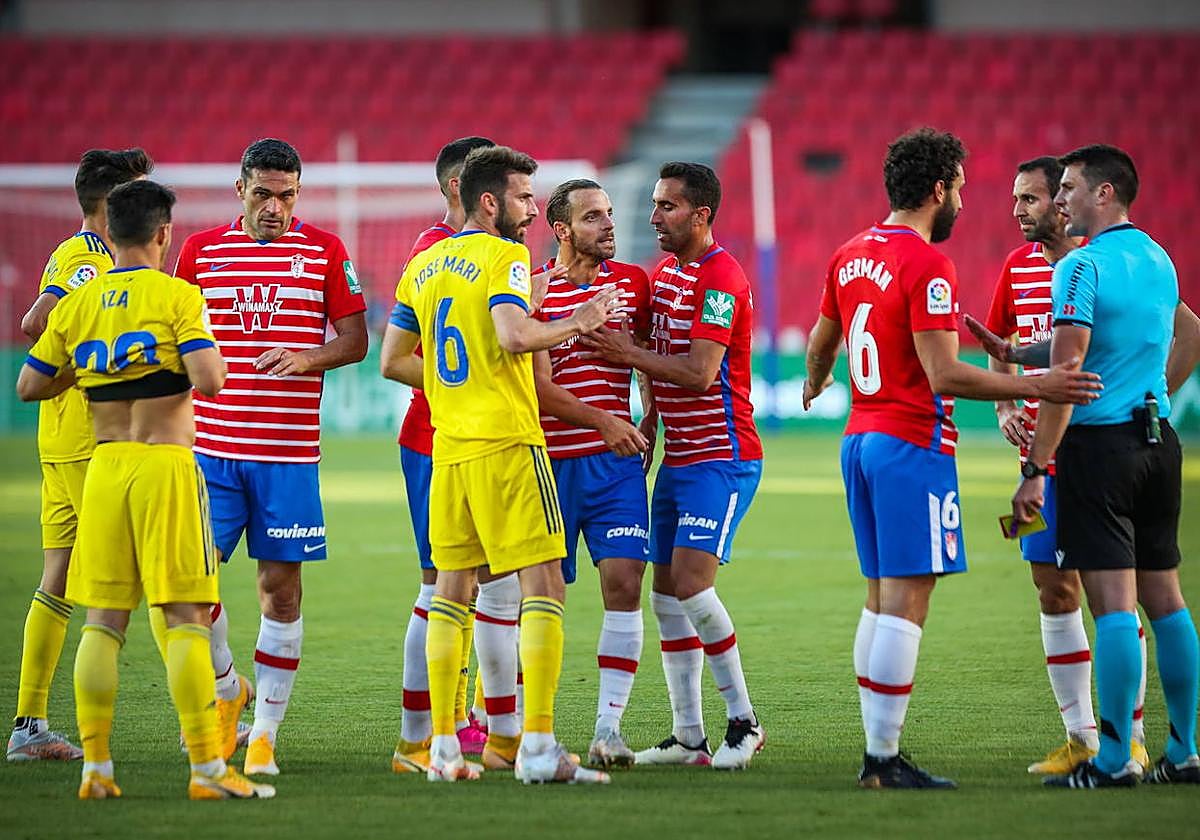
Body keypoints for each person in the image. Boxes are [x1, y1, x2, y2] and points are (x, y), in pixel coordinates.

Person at [802, 128, 1102, 789]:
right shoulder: (928, 263)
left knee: (881, 599)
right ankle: (882, 759)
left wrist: (816, 383)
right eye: (962, 187)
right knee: (908, 600)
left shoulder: (850, 252)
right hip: (911, 443)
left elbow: (821, 344)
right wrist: (1034, 386)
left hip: (860, 438)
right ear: (939, 189)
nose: (968, 201)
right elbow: (944, 375)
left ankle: (880, 752)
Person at [16, 179, 273, 800]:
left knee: (103, 622)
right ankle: (208, 771)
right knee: (184, 616)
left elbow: (29, 385)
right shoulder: (177, 295)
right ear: (163, 233)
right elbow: (211, 380)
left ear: (108, 231)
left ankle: (97, 770)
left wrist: (91, 371)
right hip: (164, 466)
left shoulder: (79, 304)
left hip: (104, 469)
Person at [381, 145, 618, 783]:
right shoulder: (506, 256)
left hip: (451, 450)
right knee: (545, 587)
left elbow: (392, 358)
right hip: (510, 445)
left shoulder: (426, 263)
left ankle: (443, 749)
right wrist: (578, 318)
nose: (533, 209)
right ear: (489, 201)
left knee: (450, 594)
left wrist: (461, 383)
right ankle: (538, 749)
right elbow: (514, 335)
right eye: (522, 197)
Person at [174, 138, 368, 776]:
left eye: (287, 195)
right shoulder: (200, 252)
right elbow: (176, 339)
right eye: (263, 193)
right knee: (187, 587)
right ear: (240, 191)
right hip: (210, 453)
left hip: (287, 458)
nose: (275, 207)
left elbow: (356, 339)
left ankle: (264, 733)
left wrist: (307, 357)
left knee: (280, 593)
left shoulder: (325, 251)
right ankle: (228, 687)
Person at [1009, 144, 1200, 788]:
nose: (1060, 200)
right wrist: (1014, 348)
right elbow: (1154, 336)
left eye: (1068, 188)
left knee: (1115, 607)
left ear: (1105, 194)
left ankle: (1116, 759)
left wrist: (1036, 468)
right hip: (1158, 443)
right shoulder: (1158, 258)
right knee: (1168, 602)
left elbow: (1067, 375)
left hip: (1100, 451)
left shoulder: (1080, 268)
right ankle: (1184, 750)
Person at [581, 162, 765, 770]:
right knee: (664, 597)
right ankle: (690, 737)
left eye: (668, 207)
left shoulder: (723, 278)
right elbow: (655, 372)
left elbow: (698, 371)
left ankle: (743, 720)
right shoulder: (664, 274)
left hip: (722, 457)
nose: (654, 216)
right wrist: (650, 431)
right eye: (655, 204)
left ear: (702, 215)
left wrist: (624, 349)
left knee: (691, 583)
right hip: (676, 462)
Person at [983, 156, 1150, 776]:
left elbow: (1182, 331)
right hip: (1039, 457)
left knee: (1114, 593)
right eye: (1015, 197)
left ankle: (1126, 739)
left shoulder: (1103, 261)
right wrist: (1004, 407)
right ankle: (1080, 737)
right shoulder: (1016, 267)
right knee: (1052, 587)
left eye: (1028, 198)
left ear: (1063, 201)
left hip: (1100, 452)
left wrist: (1143, 402)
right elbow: (999, 346)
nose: (1016, 209)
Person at [8, 148, 153, 763]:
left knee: (60, 576)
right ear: (113, 203)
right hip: (83, 442)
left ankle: (29, 724)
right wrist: (89, 367)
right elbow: (35, 321)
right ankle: (215, 694)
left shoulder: (83, 256)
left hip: (63, 438)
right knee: (146, 568)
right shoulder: (85, 259)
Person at [532, 178, 652, 768]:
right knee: (542, 598)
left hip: (616, 465)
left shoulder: (632, 282)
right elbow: (538, 389)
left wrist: (647, 415)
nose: (609, 225)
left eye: (609, 214)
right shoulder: (532, 291)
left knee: (626, 583)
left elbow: (649, 353)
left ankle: (609, 730)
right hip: (552, 465)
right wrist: (605, 420)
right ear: (560, 229)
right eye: (593, 218)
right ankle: (538, 731)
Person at [389, 136, 496, 774]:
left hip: (464, 439)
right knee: (443, 589)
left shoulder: (470, 253)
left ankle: (469, 722)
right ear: (460, 187)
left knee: (476, 589)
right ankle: (422, 735)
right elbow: (398, 358)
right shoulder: (439, 254)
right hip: (439, 441)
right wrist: (470, 378)